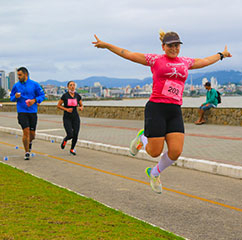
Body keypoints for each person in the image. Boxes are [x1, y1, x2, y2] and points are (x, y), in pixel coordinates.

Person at [92, 31, 231, 193]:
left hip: (175, 110)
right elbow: (128, 54)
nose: (174, 48)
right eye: (170, 45)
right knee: (154, 152)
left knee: (176, 151)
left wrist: (222, 54)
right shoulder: (155, 60)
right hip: (156, 108)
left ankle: (154, 172)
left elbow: (205, 61)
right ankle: (142, 138)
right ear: (163, 46)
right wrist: (107, 45)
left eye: (176, 45)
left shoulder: (185, 62)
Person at [10, 67, 45, 160]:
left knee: (32, 135)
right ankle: (26, 152)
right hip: (22, 111)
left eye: (20, 75)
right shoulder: (16, 86)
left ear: (25, 75)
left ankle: (29, 143)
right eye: (18, 75)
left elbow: (42, 95)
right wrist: (15, 97)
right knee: (26, 132)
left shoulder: (34, 84)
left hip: (32, 112)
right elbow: (11, 98)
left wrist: (35, 100)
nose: (18, 77)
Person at [57, 81, 83, 155]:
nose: (72, 86)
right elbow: (58, 105)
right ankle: (65, 140)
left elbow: (81, 105)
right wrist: (66, 109)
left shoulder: (77, 96)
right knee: (70, 134)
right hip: (67, 117)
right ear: (68, 87)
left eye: (73, 85)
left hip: (75, 117)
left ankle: (72, 149)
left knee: (75, 134)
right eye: (71, 85)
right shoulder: (65, 96)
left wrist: (81, 107)